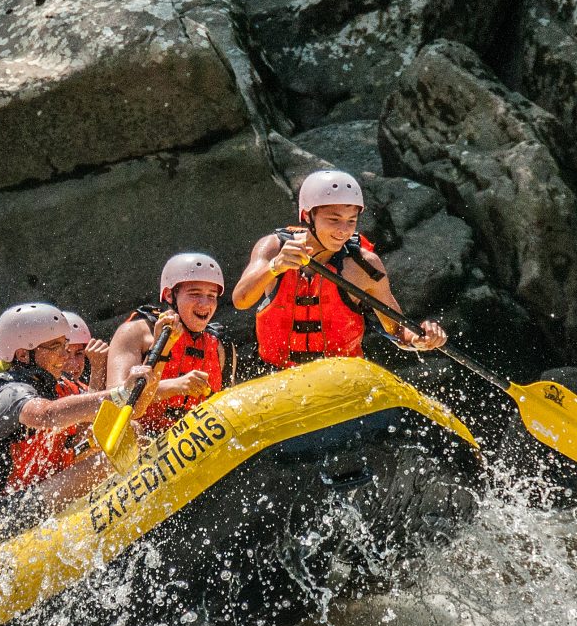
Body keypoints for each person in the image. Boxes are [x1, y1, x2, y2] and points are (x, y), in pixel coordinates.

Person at [0, 302, 143, 528]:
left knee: (129, 435)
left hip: (29, 498)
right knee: (106, 463)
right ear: (23, 354)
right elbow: (47, 415)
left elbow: (80, 435)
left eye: (65, 345)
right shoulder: (8, 392)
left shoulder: (48, 386)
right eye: (54, 347)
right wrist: (119, 394)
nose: (65, 356)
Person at [231, 170, 447, 368]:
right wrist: (274, 267)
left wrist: (420, 338)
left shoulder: (364, 265)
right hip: (277, 374)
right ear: (307, 216)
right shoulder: (273, 248)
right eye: (334, 219)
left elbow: (398, 330)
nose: (343, 231)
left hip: (340, 378)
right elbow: (241, 300)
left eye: (351, 221)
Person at [106, 252, 227, 434]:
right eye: (195, 294)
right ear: (170, 295)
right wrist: (175, 386)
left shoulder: (215, 345)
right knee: (134, 429)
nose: (205, 304)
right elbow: (114, 398)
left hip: (194, 441)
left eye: (212, 296)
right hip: (141, 436)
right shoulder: (135, 333)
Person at [59, 312, 109, 391]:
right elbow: (96, 402)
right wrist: (97, 370)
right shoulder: (46, 390)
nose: (73, 364)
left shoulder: (82, 389)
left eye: (79, 353)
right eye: (66, 353)